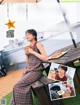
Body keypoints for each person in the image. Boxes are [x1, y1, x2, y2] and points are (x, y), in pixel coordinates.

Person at [10, 29, 48, 105]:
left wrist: (32, 52)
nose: (26, 36)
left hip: (36, 71)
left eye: (28, 34)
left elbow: (46, 58)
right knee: (16, 85)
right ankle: (14, 103)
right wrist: (26, 55)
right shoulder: (28, 47)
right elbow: (28, 63)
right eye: (26, 34)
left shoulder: (38, 44)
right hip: (29, 70)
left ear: (34, 36)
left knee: (17, 85)